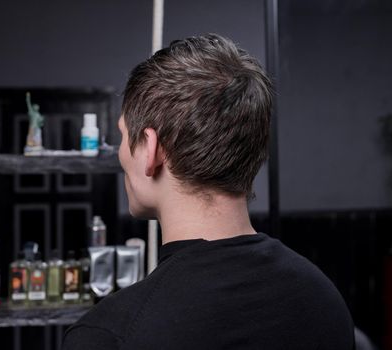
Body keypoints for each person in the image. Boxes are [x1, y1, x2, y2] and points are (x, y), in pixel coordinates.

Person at [62, 34, 355, 349]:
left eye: (122, 135)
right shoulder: (324, 301)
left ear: (150, 149)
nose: (120, 153)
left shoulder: (108, 335)